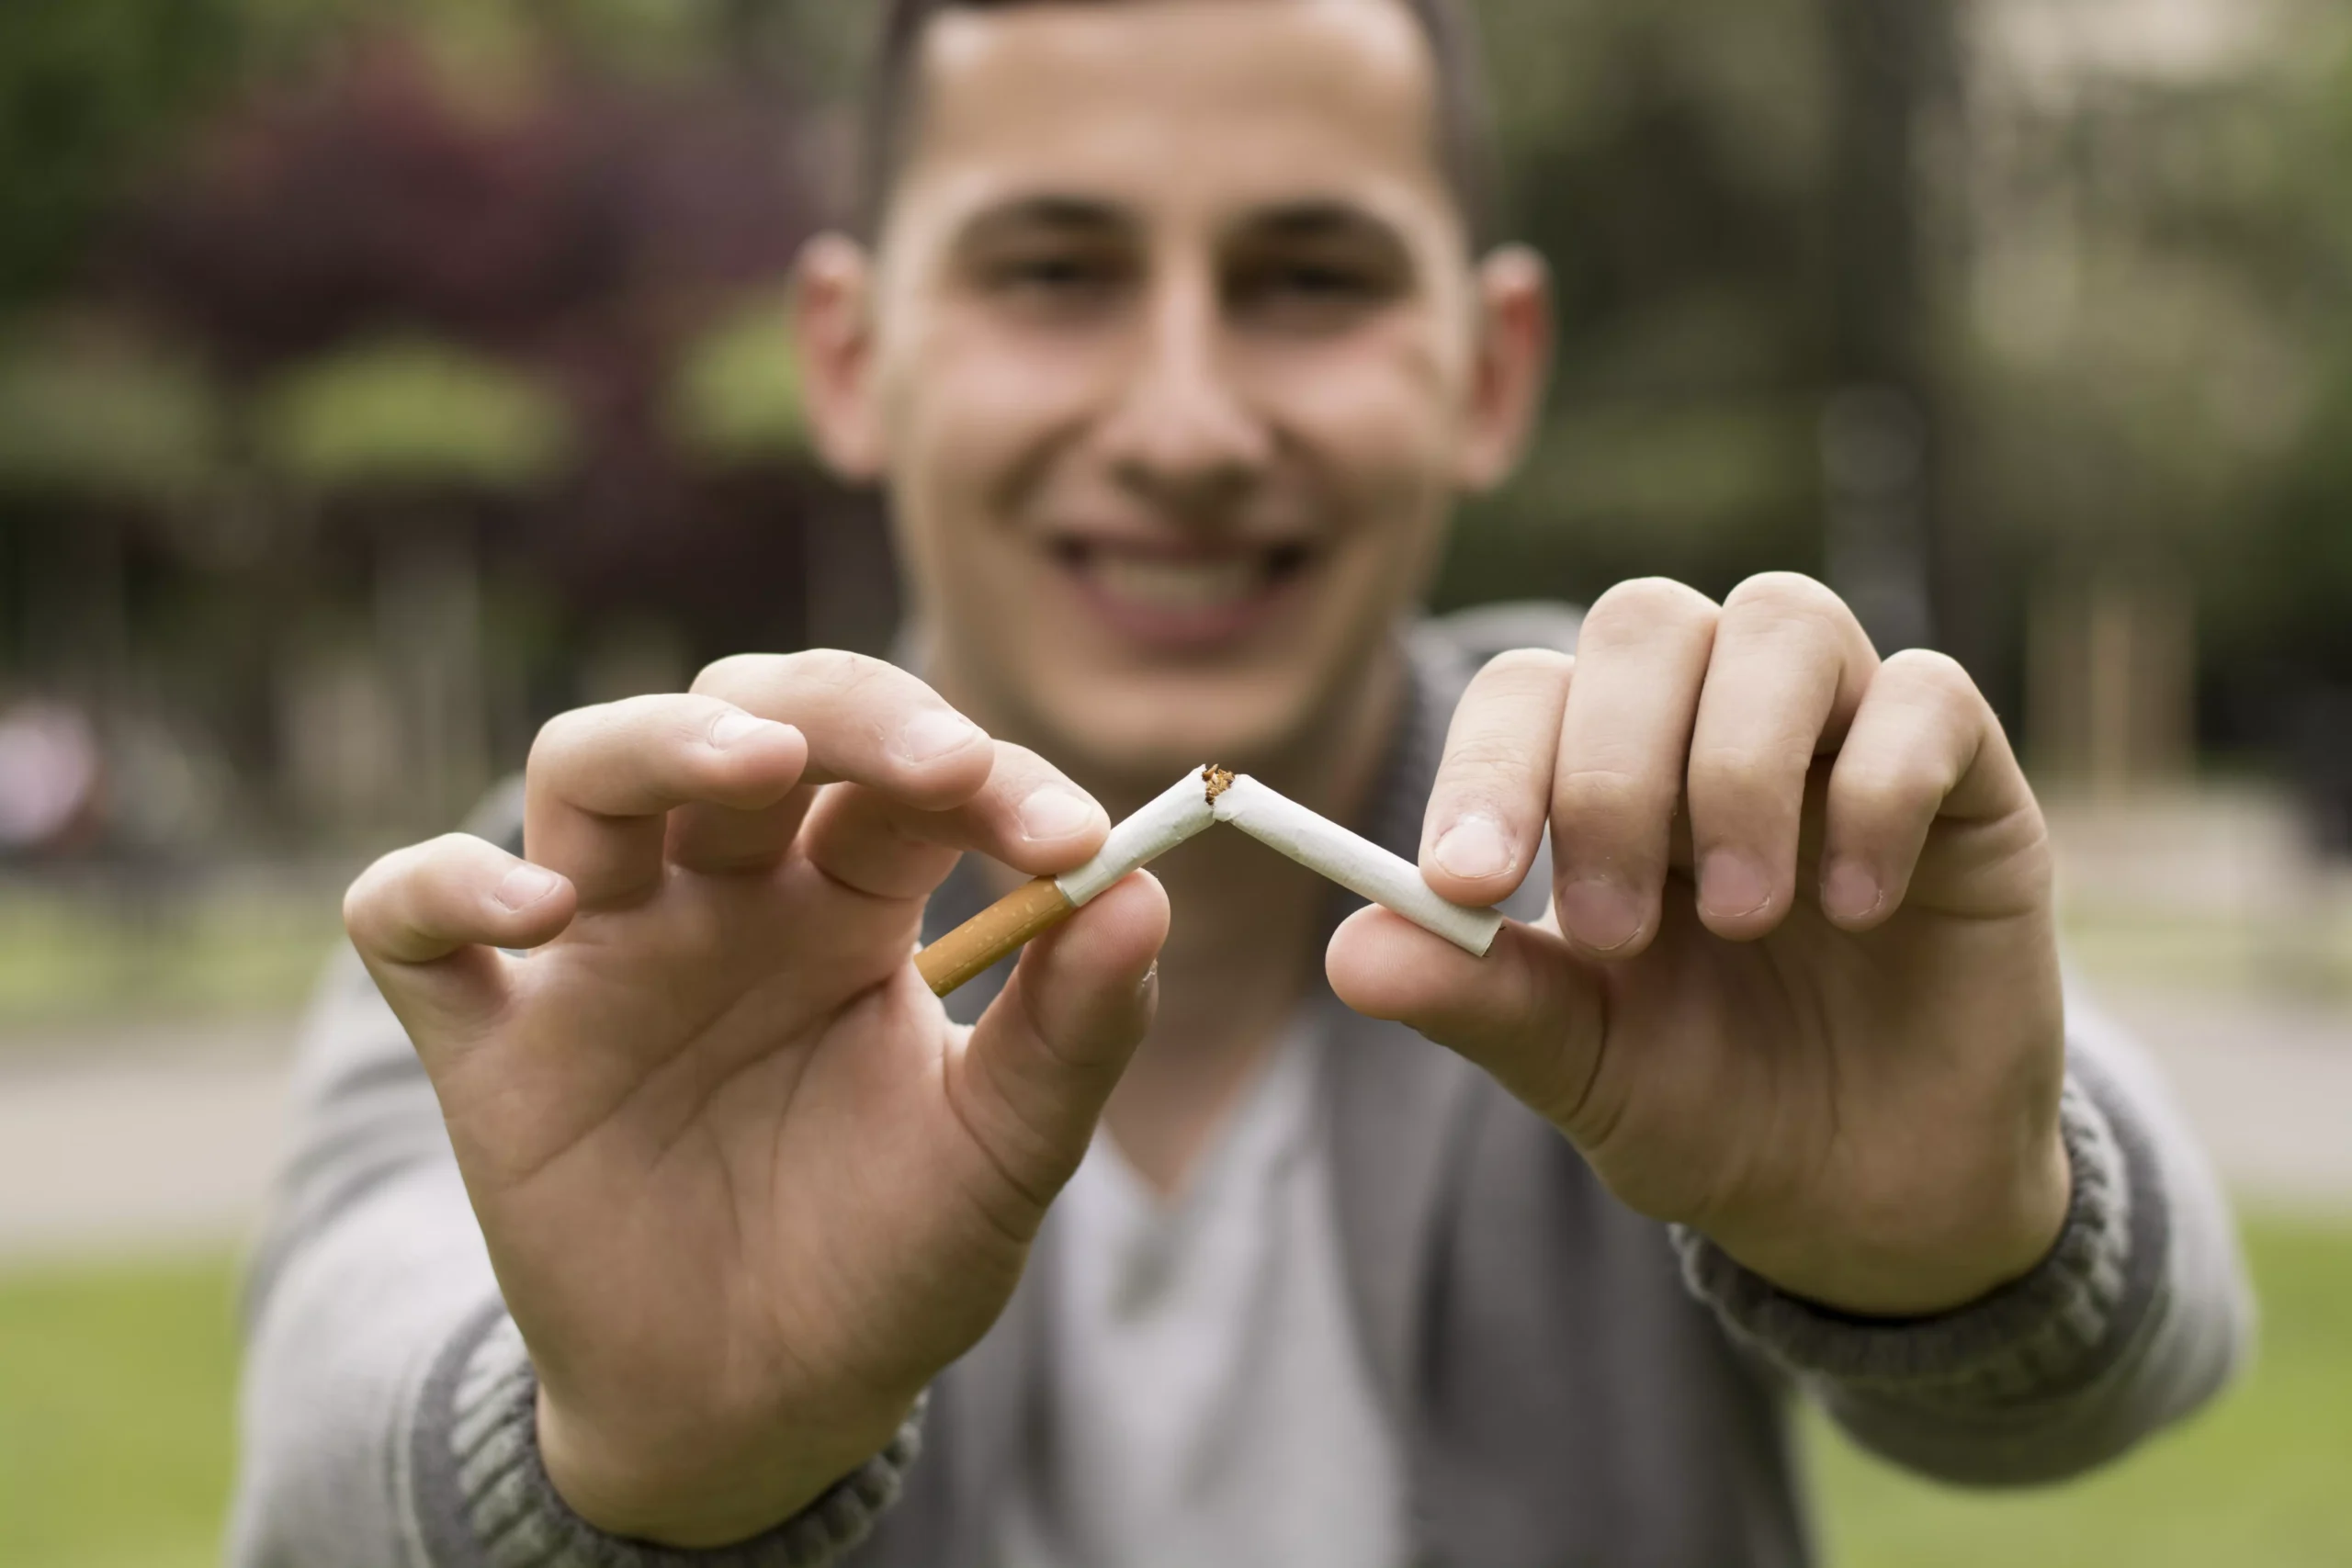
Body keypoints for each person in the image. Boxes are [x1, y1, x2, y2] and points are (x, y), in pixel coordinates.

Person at [228, 3, 2251, 1564]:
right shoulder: (595, 908)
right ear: (851, 357)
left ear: (1487, 363)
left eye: (1308, 278)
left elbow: (2132, 1347)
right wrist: (621, 1452)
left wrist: (1958, 1244)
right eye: (1050, 271)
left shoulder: (1664, 820)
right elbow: (331, 1442)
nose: (1186, 424)